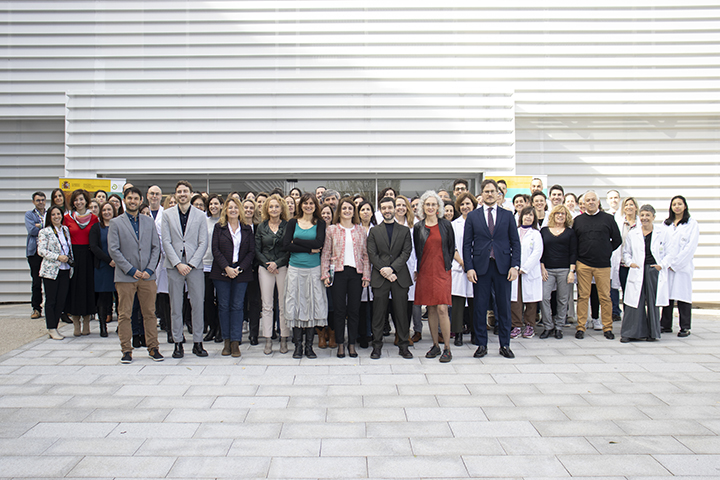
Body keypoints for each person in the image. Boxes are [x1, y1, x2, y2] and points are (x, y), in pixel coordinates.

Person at [463, 179, 521, 359]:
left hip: (503, 267)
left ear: (498, 194)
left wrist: (515, 266)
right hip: (481, 268)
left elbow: (515, 243)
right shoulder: (473, 216)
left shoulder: (508, 215)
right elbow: (466, 245)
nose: (489, 194)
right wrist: (469, 268)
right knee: (480, 307)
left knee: (503, 307)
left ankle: (505, 344)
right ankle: (481, 344)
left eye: (492, 191)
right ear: (481, 195)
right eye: (486, 191)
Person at [107, 187, 162, 363]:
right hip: (126, 277)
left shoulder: (148, 221)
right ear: (125, 199)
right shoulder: (116, 223)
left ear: (140, 200)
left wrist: (149, 270)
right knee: (125, 314)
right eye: (130, 198)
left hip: (147, 276)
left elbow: (156, 247)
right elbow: (114, 250)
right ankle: (126, 350)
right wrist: (131, 270)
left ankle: (153, 348)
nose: (133, 201)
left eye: (136, 198)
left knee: (150, 313)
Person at [162, 181, 209, 358]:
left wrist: (191, 264)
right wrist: (177, 263)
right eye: (179, 191)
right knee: (176, 305)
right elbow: (165, 241)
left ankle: (198, 342)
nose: (182, 194)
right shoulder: (167, 215)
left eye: (185, 191)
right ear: (175, 195)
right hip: (174, 266)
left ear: (190, 194)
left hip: (194, 266)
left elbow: (203, 242)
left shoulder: (200, 215)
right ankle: (177, 343)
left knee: (197, 304)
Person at [321, 197, 371, 358]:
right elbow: (326, 253)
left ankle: (351, 345)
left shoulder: (360, 230)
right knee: (339, 310)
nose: (347, 211)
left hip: (356, 274)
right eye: (344, 208)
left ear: (353, 211)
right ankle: (340, 345)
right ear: (339, 211)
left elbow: (365, 254)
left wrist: (366, 275)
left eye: (350, 208)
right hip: (339, 273)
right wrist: (325, 274)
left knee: (354, 310)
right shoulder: (332, 230)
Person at [367, 196, 413, 360]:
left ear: (394, 209)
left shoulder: (405, 230)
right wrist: (385, 270)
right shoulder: (374, 231)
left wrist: (392, 269)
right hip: (380, 277)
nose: (387, 211)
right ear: (380, 210)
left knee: (401, 313)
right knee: (378, 314)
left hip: (399, 276)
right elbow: (372, 253)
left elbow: (406, 252)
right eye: (384, 208)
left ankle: (403, 346)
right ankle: (377, 346)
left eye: (390, 207)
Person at [572, 191, 622, 340]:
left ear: (598, 202)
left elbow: (617, 240)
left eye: (593, 200)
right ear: (584, 203)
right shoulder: (578, 220)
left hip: (603, 265)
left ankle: (607, 327)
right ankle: (581, 326)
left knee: (605, 297)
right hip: (583, 264)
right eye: (588, 200)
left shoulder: (608, 219)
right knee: (583, 297)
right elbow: (574, 243)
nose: (591, 202)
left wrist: (606, 251)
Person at [283, 193, 328, 358]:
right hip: (295, 269)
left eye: (311, 203)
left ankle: (309, 346)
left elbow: (319, 243)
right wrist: (309, 249)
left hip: (313, 270)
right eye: (305, 203)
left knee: (311, 307)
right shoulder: (293, 222)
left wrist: (298, 242)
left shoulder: (320, 223)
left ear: (315, 206)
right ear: (300, 205)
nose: (308, 206)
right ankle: (298, 346)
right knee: (295, 306)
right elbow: (286, 245)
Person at [211, 197, 255, 357]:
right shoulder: (219, 227)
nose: (233, 210)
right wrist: (227, 267)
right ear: (225, 210)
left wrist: (240, 268)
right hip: (222, 272)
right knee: (223, 306)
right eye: (230, 208)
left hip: (241, 273)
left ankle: (236, 342)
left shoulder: (246, 229)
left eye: (236, 208)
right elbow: (215, 249)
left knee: (237, 306)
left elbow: (251, 251)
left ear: (240, 210)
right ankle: (227, 340)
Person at [414, 191, 455, 362]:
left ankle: (447, 347)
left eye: (433, 204)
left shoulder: (446, 225)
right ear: (423, 207)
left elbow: (451, 248)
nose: (430, 207)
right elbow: (418, 250)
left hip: (442, 271)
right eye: (427, 204)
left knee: (442, 308)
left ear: (439, 207)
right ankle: (435, 346)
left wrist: (447, 266)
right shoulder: (418, 227)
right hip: (425, 271)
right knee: (430, 308)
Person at [658, 195, 699, 337]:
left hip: (683, 267)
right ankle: (665, 325)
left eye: (679, 204)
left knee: (683, 296)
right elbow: (660, 244)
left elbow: (690, 247)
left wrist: (675, 263)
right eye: (674, 204)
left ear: (685, 206)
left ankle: (685, 327)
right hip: (667, 265)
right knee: (667, 296)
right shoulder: (666, 224)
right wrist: (665, 263)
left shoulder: (691, 224)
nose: (677, 206)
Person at [620, 204, 662, 342]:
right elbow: (626, 252)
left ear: (653, 217)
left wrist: (661, 265)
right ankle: (630, 333)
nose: (644, 218)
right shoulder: (633, 233)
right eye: (642, 215)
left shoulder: (661, 233)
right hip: (637, 268)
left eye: (648, 215)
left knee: (652, 301)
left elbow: (668, 251)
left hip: (652, 270)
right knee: (634, 302)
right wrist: (630, 262)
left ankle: (653, 333)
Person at [256, 194, 291, 355]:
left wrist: (278, 263)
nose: (274, 209)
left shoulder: (288, 225)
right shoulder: (261, 227)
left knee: (283, 304)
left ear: (281, 208)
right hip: (265, 268)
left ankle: (284, 338)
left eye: (277, 206)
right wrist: (268, 264)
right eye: (271, 206)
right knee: (267, 305)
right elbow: (257, 249)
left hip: (282, 267)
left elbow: (290, 248)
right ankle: (268, 339)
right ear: (266, 209)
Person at [63, 189, 99, 336]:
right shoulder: (67, 218)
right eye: (76, 200)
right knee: (74, 290)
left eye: (81, 199)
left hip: (89, 256)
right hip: (73, 256)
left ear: (86, 201)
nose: (79, 202)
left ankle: (86, 322)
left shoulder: (94, 218)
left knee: (87, 289)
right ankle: (76, 322)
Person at [539, 205, 577, 339]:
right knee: (544, 297)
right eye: (557, 213)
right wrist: (542, 267)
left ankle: (559, 327)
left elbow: (573, 252)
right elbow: (540, 251)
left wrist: (572, 271)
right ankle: (548, 325)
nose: (560, 216)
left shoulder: (570, 232)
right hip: (547, 269)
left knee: (562, 299)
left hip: (564, 269)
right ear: (553, 215)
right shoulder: (544, 231)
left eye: (563, 214)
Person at [37, 205, 72, 340]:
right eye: (53, 215)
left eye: (58, 214)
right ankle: (51, 327)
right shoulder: (44, 232)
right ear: (49, 217)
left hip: (65, 269)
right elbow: (41, 251)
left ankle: (55, 326)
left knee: (61, 300)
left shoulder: (65, 230)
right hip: (51, 270)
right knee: (51, 300)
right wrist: (57, 257)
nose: (57, 217)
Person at [509, 206, 543, 339]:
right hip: (515, 271)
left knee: (531, 300)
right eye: (526, 215)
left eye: (531, 215)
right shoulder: (515, 231)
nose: (528, 217)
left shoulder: (536, 233)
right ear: (520, 216)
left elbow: (537, 253)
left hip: (529, 272)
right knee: (515, 300)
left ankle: (529, 325)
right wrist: (515, 266)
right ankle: (516, 325)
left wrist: (525, 268)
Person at [450, 192, 477, 346]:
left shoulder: (479, 223)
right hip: (459, 267)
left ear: (473, 205)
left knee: (475, 303)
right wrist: (463, 262)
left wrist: (472, 264)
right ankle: (458, 333)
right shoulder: (454, 224)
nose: (465, 207)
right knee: (458, 304)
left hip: (476, 267)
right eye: (462, 204)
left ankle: (475, 332)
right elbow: (452, 246)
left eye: (468, 203)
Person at [394, 195, 420, 345]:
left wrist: (416, 268)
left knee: (408, 303)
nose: (401, 208)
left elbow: (418, 248)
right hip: (394, 268)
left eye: (404, 205)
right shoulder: (389, 223)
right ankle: (398, 332)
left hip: (410, 267)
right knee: (396, 303)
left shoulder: (414, 224)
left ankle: (406, 333)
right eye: (398, 205)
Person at [89, 201, 117, 337]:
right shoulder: (96, 228)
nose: (107, 212)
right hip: (102, 267)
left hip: (118, 266)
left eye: (109, 210)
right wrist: (109, 260)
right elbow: (94, 247)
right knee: (103, 298)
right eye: (104, 210)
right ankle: (103, 326)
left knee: (120, 298)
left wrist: (117, 261)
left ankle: (121, 326)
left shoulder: (119, 226)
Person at [202, 194, 223, 343]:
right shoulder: (204, 222)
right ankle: (212, 328)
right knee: (207, 298)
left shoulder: (225, 223)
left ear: (222, 205)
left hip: (220, 265)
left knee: (221, 299)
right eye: (210, 204)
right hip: (205, 264)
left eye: (216, 203)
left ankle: (221, 329)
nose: (213, 206)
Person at [357, 200, 376, 348]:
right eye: (362, 209)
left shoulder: (376, 229)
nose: (365, 212)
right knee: (361, 305)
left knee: (374, 305)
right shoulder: (356, 229)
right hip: (359, 269)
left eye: (368, 209)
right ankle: (362, 334)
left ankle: (373, 334)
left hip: (376, 270)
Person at [26, 191, 46, 319]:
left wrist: (39, 225)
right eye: (38, 200)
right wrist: (44, 226)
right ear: (33, 202)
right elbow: (32, 230)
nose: (40, 202)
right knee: (36, 281)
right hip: (34, 252)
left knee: (50, 281)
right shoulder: (29, 214)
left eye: (42, 200)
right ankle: (36, 308)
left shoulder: (49, 213)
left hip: (48, 251)